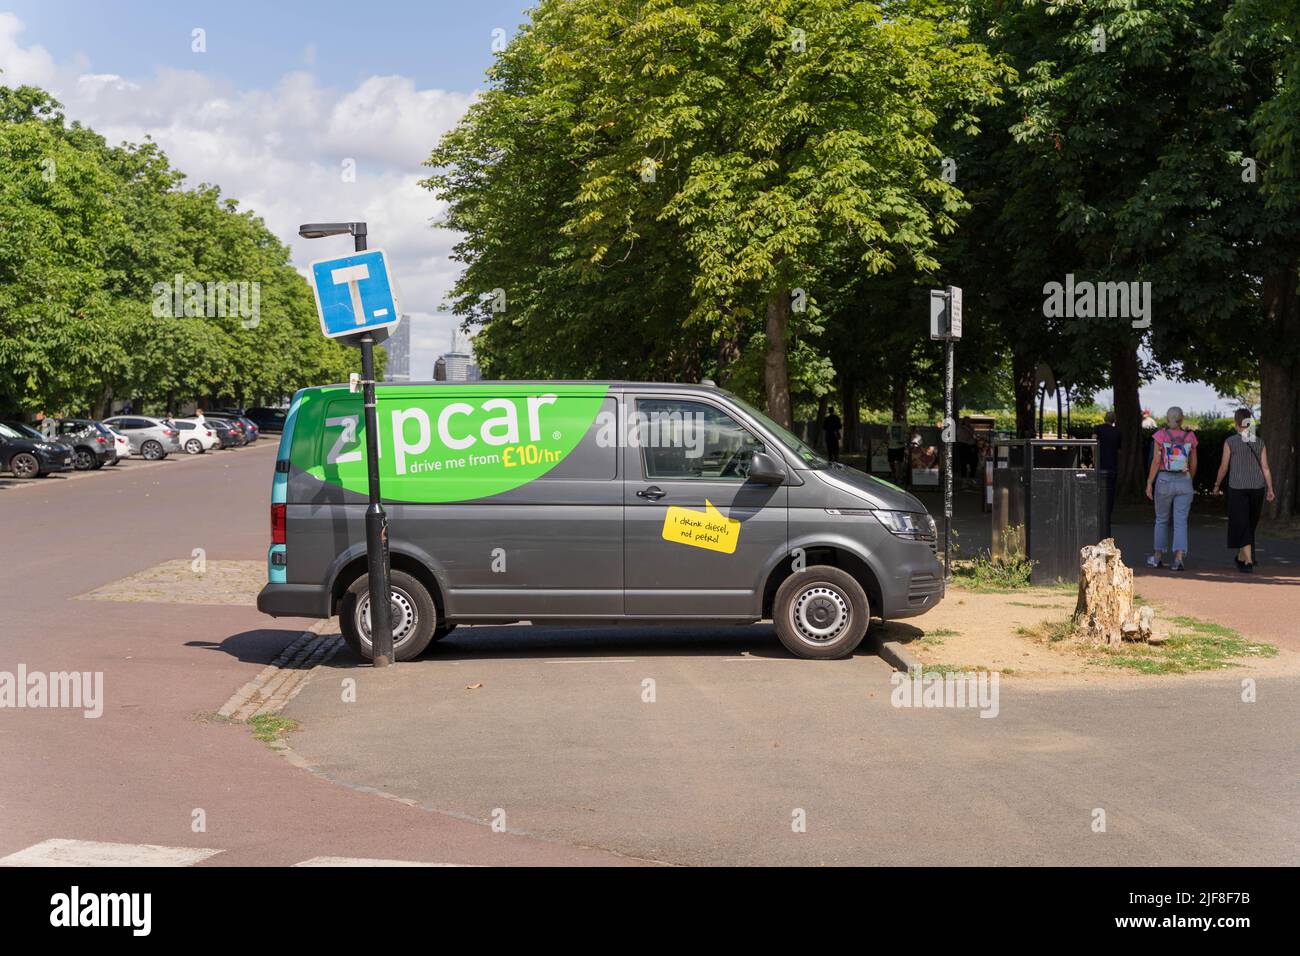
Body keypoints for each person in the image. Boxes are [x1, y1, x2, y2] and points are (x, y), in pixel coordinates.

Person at [1212, 408, 1275, 572]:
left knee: (1242, 523)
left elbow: (1224, 467)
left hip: (1237, 487)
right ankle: (1242, 557)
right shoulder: (1259, 442)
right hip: (1257, 487)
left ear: (1236, 423)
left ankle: (1248, 562)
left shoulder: (1230, 442)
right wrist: (1270, 488)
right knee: (1250, 523)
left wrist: (1217, 485)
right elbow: (1266, 468)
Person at [1145, 406, 1197, 571]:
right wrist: (1190, 479)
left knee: (1161, 520)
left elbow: (1155, 460)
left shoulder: (1160, 436)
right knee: (1181, 522)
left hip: (1164, 480)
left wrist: (1149, 482)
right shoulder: (1190, 436)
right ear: (1182, 419)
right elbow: (1194, 462)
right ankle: (1178, 559)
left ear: (1167, 419)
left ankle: (1157, 557)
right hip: (1184, 480)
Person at [1093, 411, 1122, 533]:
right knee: (1110, 491)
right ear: (1114, 420)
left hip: (1100, 464)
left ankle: (1098, 512)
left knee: (1097, 489)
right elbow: (1119, 450)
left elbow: (1093, 444)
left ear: (1104, 418)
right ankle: (1107, 513)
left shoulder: (1097, 429)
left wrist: (1094, 459)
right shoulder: (1118, 432)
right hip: (1112, 465)